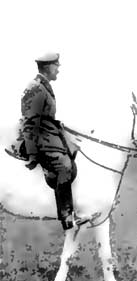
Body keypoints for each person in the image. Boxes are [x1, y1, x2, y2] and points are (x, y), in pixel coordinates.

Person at [12, 52, 89, 231]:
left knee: (73, 152)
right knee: (64, 166)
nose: (59, 69)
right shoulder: (35, 88)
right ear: (47, 68)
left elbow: (43, 115)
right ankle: (68, 218)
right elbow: (30, 122)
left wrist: (57, 124)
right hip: (39, 141)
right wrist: (32, 154)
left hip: (49, 137)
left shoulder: (43, 86)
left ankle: (68, 208)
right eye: (56, 65)